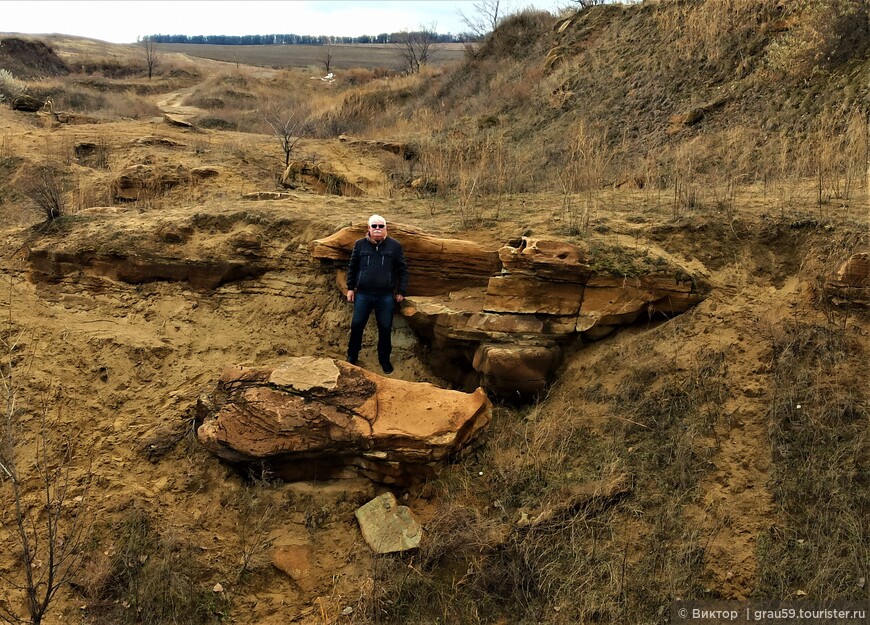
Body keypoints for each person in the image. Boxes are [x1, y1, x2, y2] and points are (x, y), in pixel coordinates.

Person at [346, 214, 408, 374]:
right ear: (369, 228)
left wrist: (401, 290)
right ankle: (352, 356)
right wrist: (350, 288)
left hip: (385, 296)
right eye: (374, 226)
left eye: (381, 226)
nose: (378, 229)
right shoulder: (359, 245)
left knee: (385, 328)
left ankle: (384, 360)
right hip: (363, 295)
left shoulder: (394, 246)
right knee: (357, 325)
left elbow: (403, 269)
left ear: (386, 228)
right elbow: (352, 267)